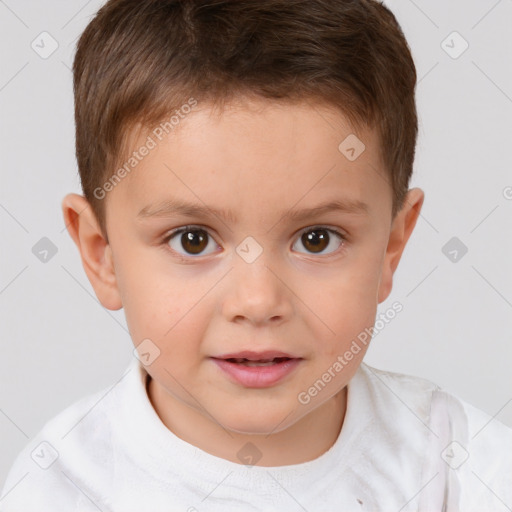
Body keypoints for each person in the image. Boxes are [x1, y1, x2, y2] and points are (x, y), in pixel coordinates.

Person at [1, 0, 510, 510]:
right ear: (101, 255)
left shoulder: (461, 469)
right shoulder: (63, 489)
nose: (258, 300)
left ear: (390, 248)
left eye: (317, 239)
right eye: (193, 240)